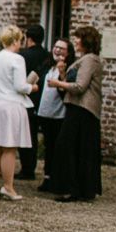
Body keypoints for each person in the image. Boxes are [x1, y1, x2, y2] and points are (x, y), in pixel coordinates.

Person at [0, 26, 39, 200]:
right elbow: (20, 86)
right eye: (20, 40)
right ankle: (8, 187)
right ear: (16, 40)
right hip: (10, 105)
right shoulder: (17, 59)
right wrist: (32, 87)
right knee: (9, 148)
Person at [48, 25, 104, 202]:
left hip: (83, 110)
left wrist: (57, 83)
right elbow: (72, 83)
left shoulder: (90, 60)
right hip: (75, 107)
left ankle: (74, 188)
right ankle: (73, 187)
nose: (76, 42)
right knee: (72, 148)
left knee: (72, 147)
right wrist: (63, 73)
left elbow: (80, 87)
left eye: (79, 38)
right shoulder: (83, 60)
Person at [35, 38, 75, 193]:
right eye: (56, 47)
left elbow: (65, 91)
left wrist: (63, 73)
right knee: (48, 146)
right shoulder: (48, 66)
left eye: (62, 49)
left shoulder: (69, 69)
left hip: (59, 114)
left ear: (68, 52)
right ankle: (47, 177)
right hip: (45, 112)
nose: (57, 50)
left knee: (58, 148)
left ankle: (58, 179)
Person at [17, 24, 50, 180]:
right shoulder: (48, 56)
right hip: (44, 99)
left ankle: (27, 168)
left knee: (27, 134)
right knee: (41, 136)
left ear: (28, 38)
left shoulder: (23, 56)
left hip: (27, 98)